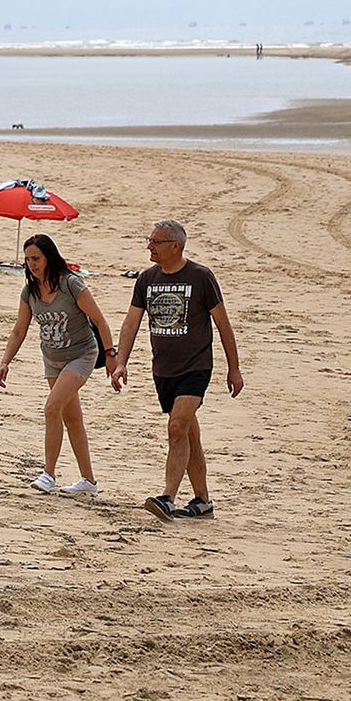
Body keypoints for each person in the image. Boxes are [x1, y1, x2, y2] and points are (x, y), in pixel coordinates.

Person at [110, 220, 243, 520]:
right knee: (189, 434)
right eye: (149, 240)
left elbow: (223, 324)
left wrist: (234, 369)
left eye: (155, 241)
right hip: (163, 369)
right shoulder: (146, 279)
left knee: (176, 427)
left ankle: (167, 497)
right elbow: (131, 323)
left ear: (175, 246)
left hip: (196, 366)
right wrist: (121, 362)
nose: (149, 246)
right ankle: (202, 501)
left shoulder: (200, 277)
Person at [0, 234, 117, 496]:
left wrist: (111, 354)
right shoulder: (29, 292)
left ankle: (48, 474)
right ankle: (88, 482)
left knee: (52, 407)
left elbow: (100, 320)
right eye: (28, 260)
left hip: (82, 354)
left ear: (49, 257)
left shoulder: (71, 284)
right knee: (71, 418)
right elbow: (19, 330)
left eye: (36, 259)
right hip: (52, 359)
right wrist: (5, 361)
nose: (32, 265)